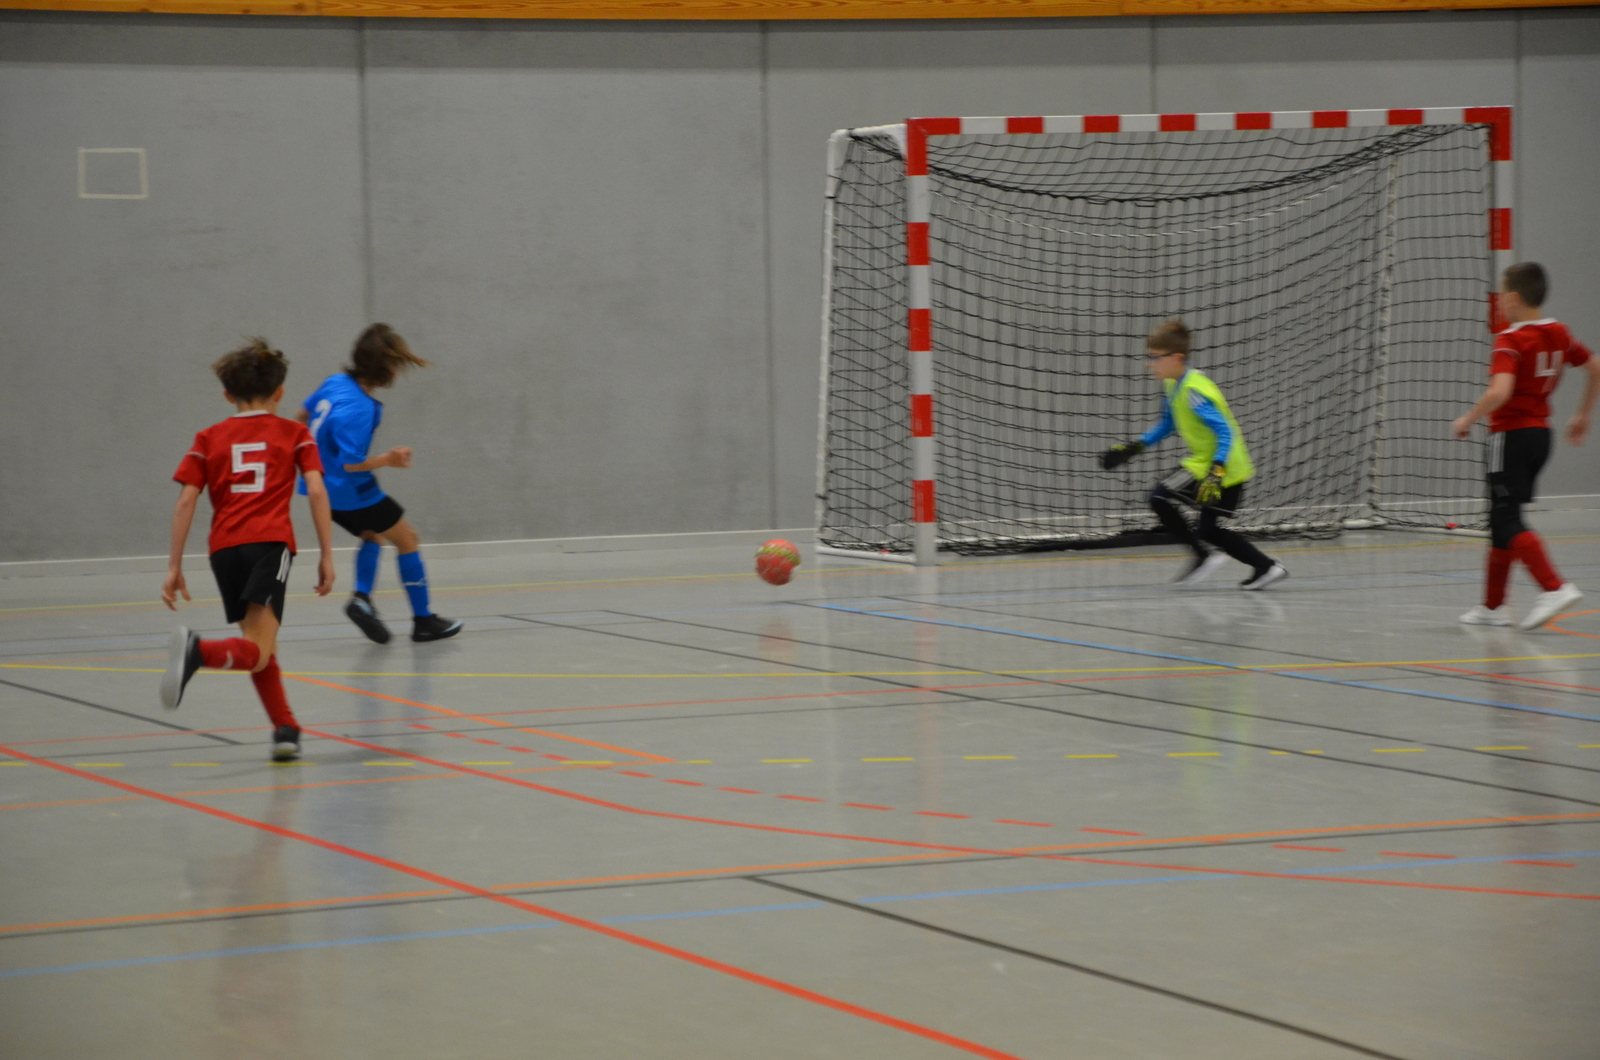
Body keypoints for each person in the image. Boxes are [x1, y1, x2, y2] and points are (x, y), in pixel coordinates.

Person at [160, 340, 336, 762]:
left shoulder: (208, 438)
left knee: (260, 644)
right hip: (269, 544)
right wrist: (327, 555)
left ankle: (285, 728)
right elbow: (316, 491)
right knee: (256, 651)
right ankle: (198, 652)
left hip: (223, 550)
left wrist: (174, 566)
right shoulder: (295, 434)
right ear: (279, 392)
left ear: (227, 395)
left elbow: (186, 501)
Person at [1453, 262, 1599, 630]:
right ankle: (1492, 607)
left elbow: (1499, 392)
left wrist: (1468, 418)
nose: (1500, 301)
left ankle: (1553, 587)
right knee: (1502, 516)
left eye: (1503, 294)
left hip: (1510, 437)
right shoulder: (1559, 333)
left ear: (1515, 299)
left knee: (1506, 518)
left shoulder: (1511, 340)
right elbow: (1595, 367)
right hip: (1540, 437)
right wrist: (1583, 415)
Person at [298, 324, 462, 644]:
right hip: (351, 491)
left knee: (372, 535)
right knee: (408, 538)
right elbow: (350, 463)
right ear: (384, 368)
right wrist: (388, 459)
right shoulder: (359, 408)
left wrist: (311, 463)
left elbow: (301, 416)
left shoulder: (335, 382)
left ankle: (362, 600)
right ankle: (423, 620)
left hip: (322, 491)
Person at [1100, 319, 1288, 590]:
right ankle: (1267, 567)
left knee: (1158, 497)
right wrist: (1136, 447)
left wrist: (1216, 471)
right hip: (1211, 463)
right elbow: (1168, 424)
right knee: (1208, 530)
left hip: (1222, 465)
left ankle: (1203, 555)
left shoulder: (1193, 391)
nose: (1149, 364)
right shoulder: (1172, 385)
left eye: (1154, 357)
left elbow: (1225, 432)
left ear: (1176, 358)